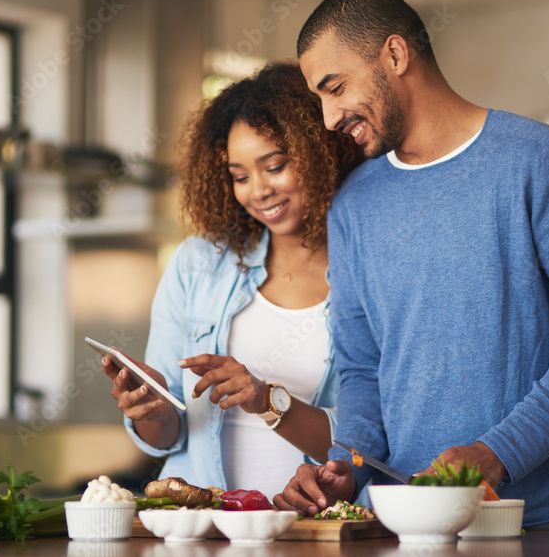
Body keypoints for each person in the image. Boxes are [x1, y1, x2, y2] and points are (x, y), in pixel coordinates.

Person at [273, 0, 549, 530]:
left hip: (534, 522)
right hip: (400, 525)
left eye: (335, 87)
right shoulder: (353, 207)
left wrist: (496, 454)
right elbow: (362, 371)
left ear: (395, 54)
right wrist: (346, 464)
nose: (328, 117)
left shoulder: (540, 162)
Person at [103, 61, 363, 500]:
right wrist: (151, 407)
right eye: (239, 176)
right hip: (204, 530)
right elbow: (168, 434)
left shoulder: (370, 271)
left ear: (322, 152)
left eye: (274, 166)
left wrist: (266, 399)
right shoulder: (198, 265)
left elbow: (367, 447)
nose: (257, 190)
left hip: (312, 530)